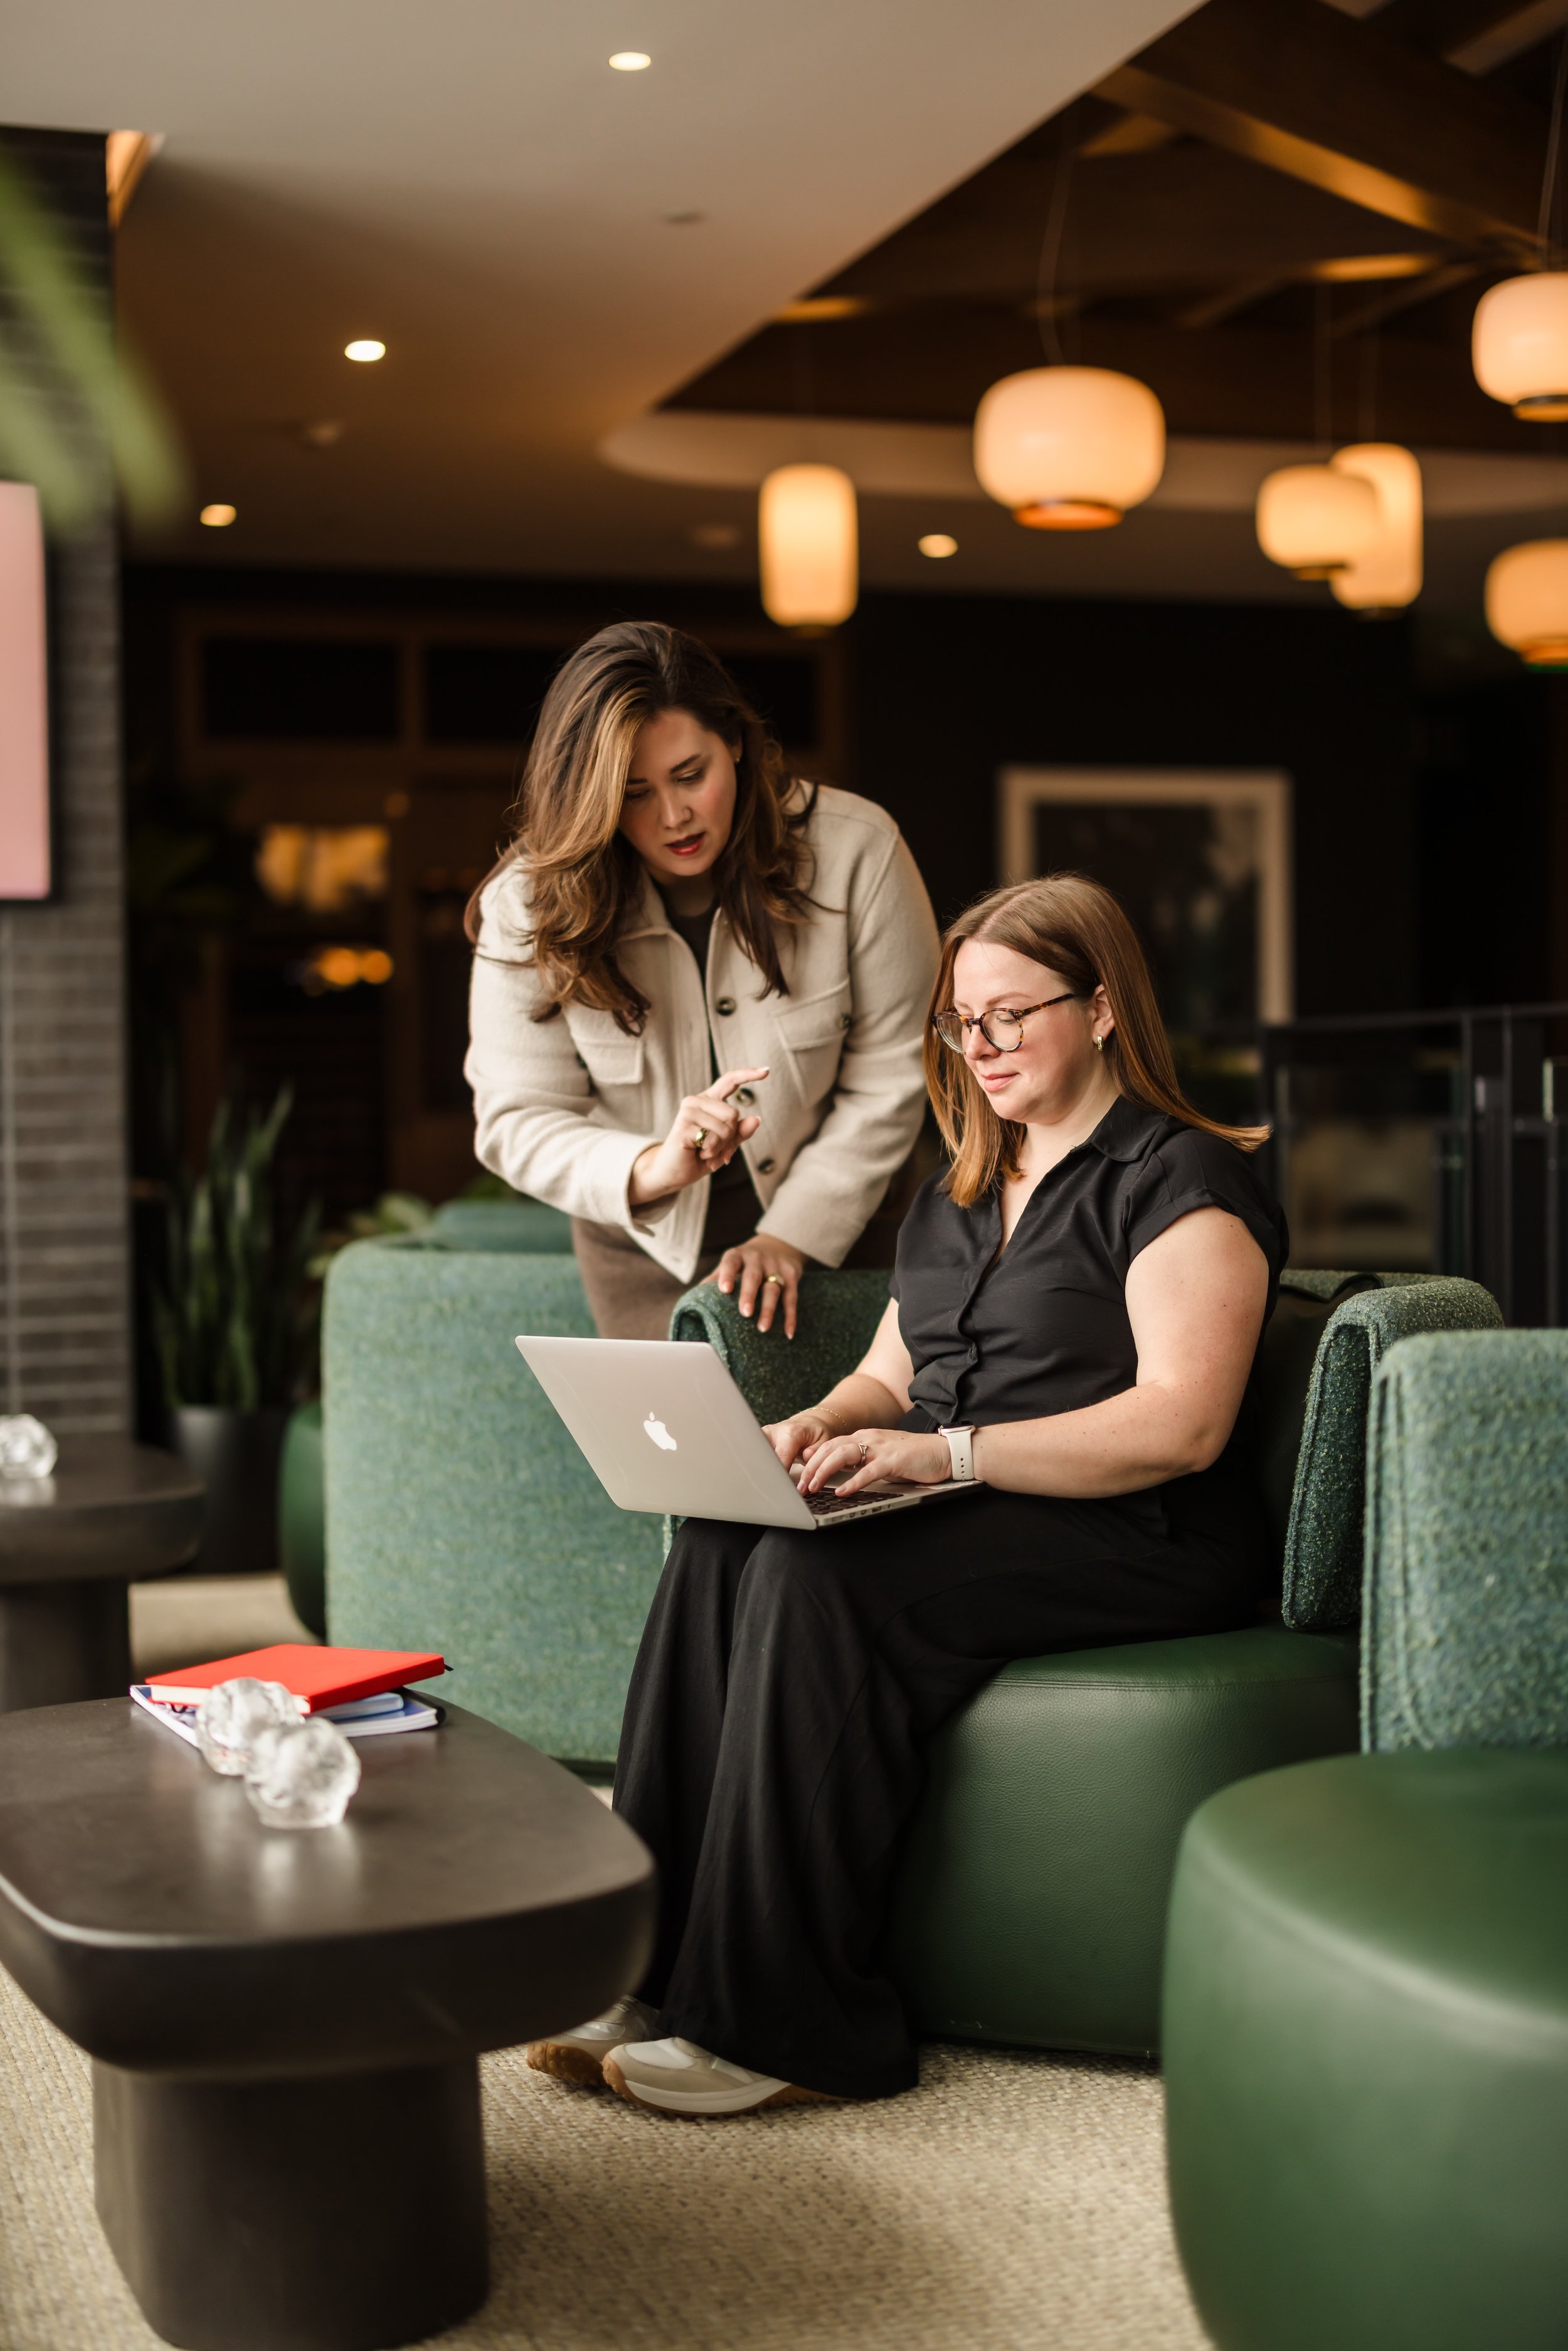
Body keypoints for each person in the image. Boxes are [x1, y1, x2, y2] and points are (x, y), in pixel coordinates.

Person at [526, 871, 1289, 2117]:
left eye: (1008, 1014)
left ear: (1100, 1008)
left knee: (822, 1575)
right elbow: (896, 1367)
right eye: (958, 1021)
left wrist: (946, 1455)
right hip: (976, 1501)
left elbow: (1181, 1423)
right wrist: (814, 1423)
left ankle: (785, 2025)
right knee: (725, 1534)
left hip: (1135, 1526)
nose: (976, 1046)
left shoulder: (1179, 1178)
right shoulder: (961, 1184)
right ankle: (649, 1970)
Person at [466, 622, 939, 1340]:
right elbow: (515, 1120)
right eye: (632, 794)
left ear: (737, 743)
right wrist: (653, 1167)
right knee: (674, 1456)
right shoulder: (528, 905)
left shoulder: (859, 851)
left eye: (691, 775)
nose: (673, 816)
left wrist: (793, 1234)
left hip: (853, 1234)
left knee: (845, 1450)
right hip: (643, 1253)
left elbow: (894, 1075)